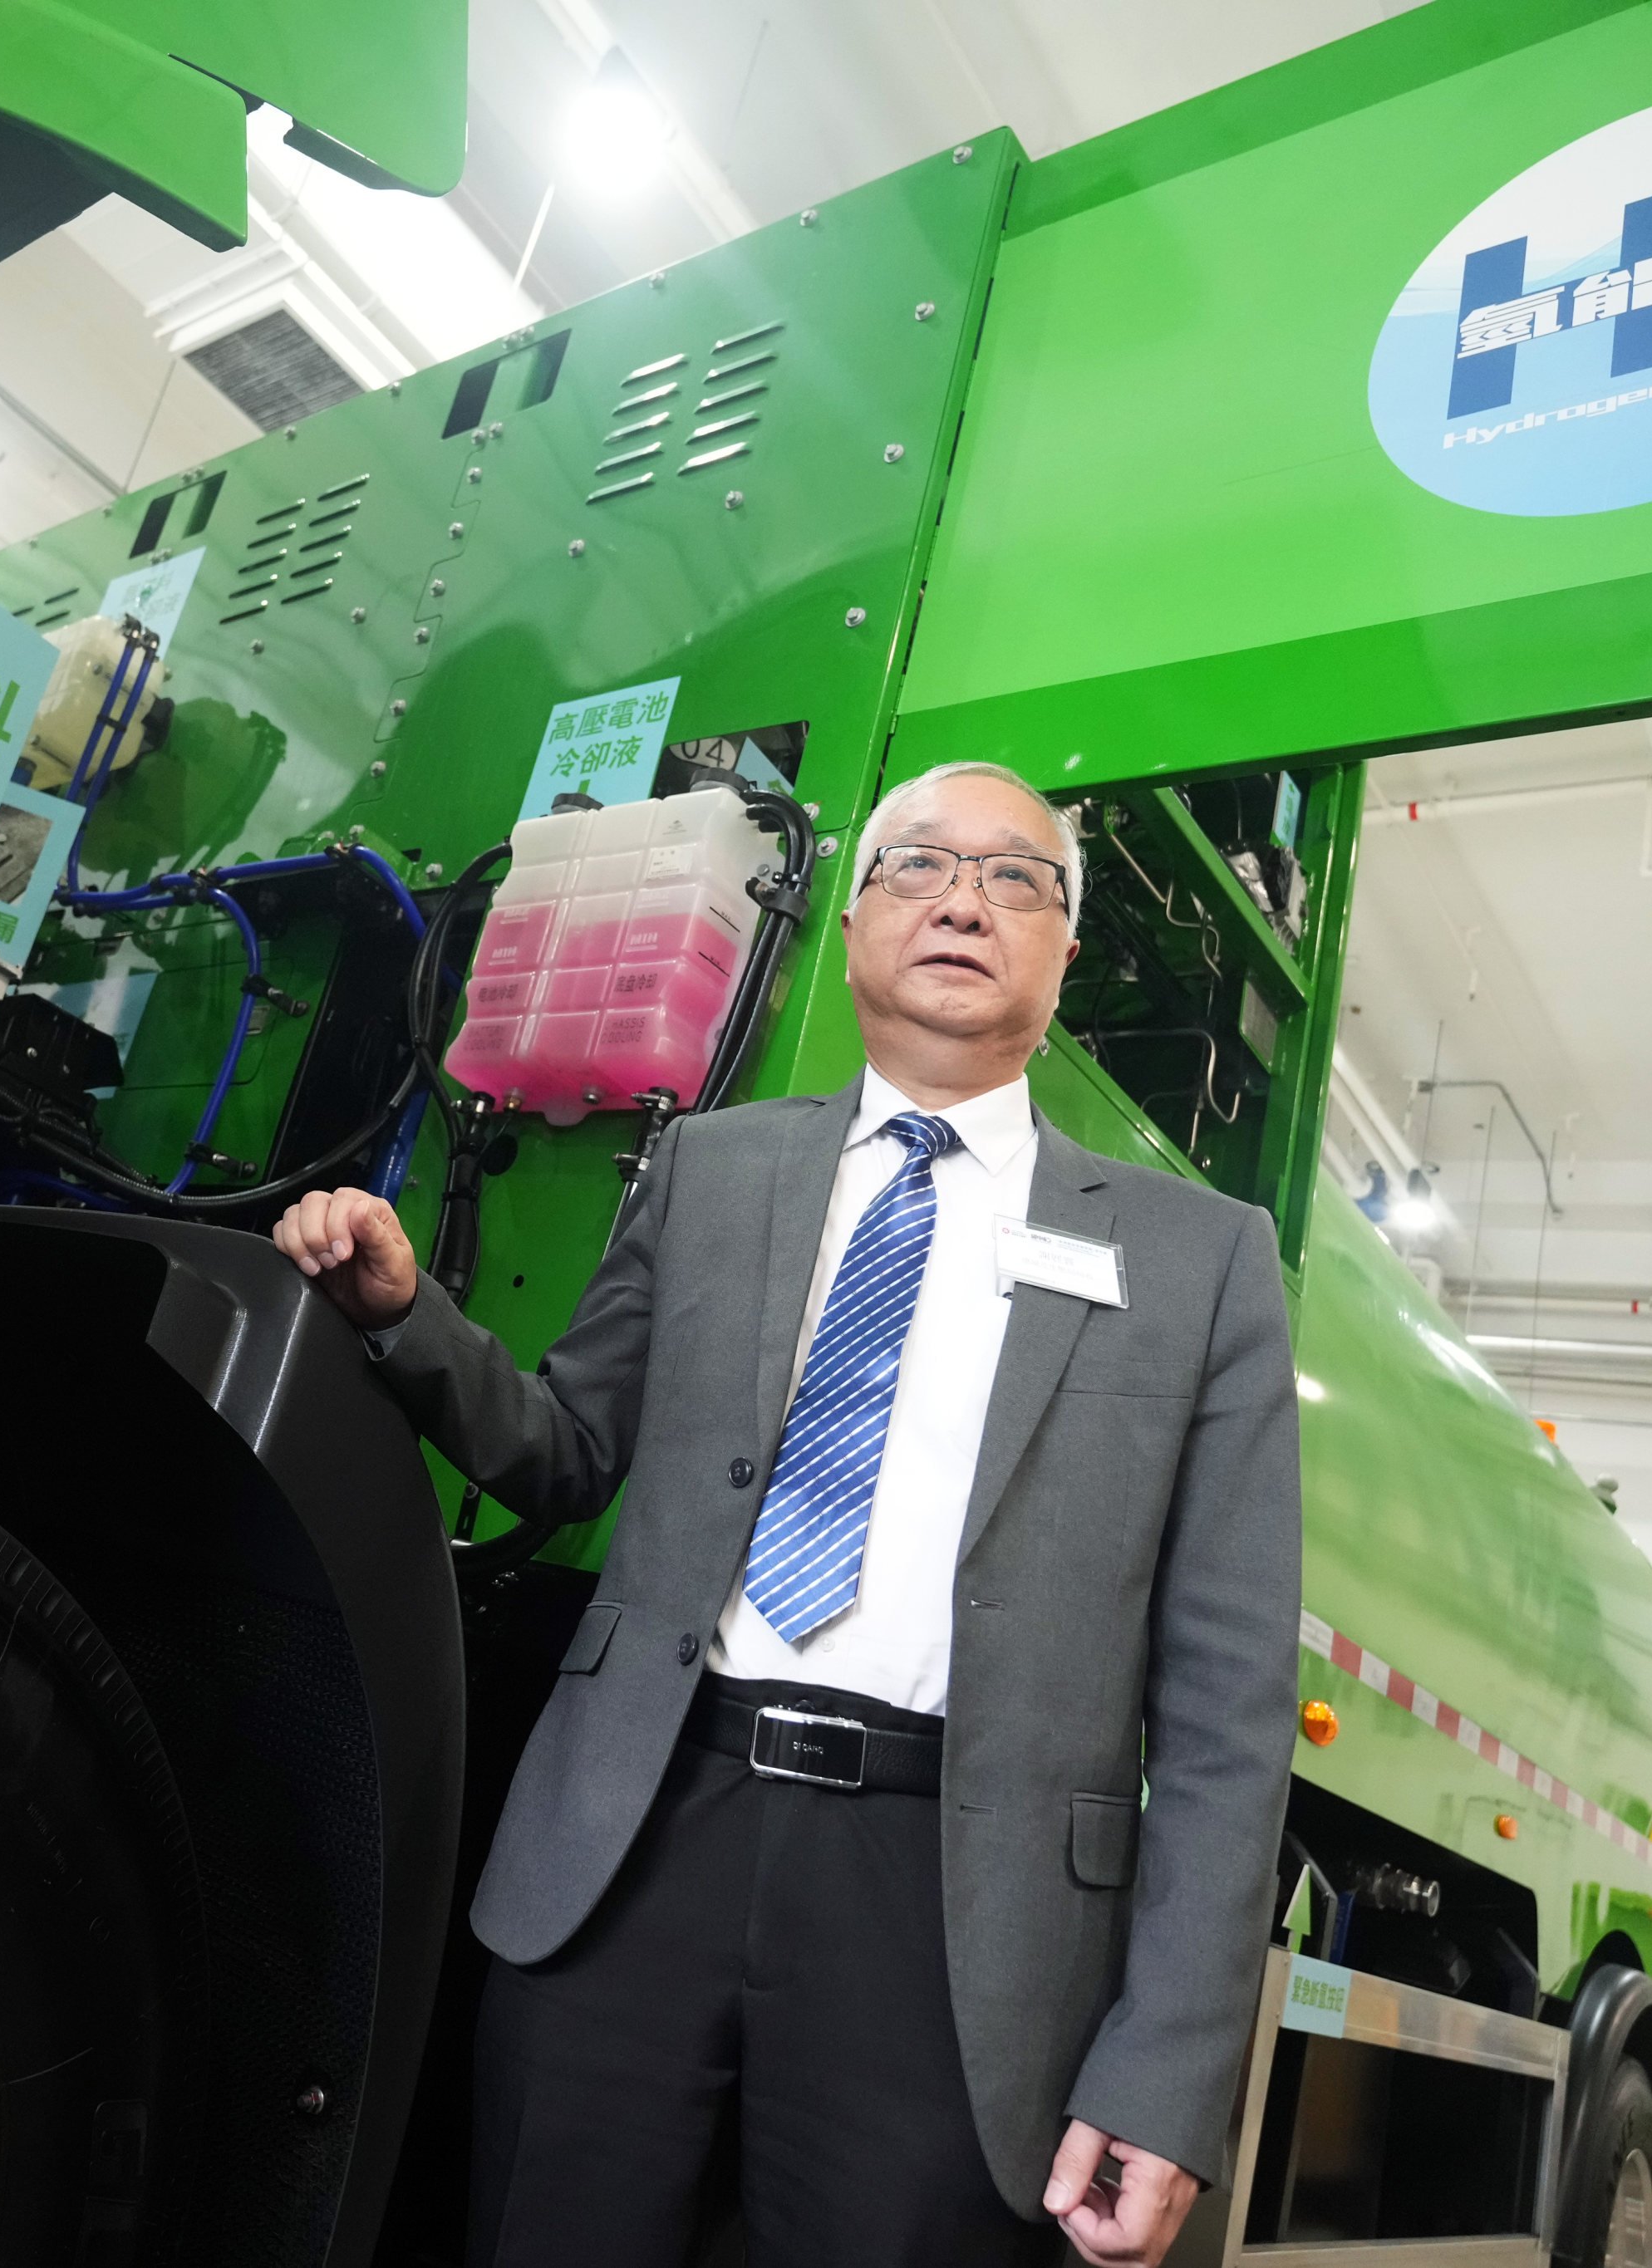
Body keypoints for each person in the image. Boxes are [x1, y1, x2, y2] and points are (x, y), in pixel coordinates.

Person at [273, 761, 1301, 2268]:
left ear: (1066, 947)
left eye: (1018, 877)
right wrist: (403, 1311)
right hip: (639, 1848)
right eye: (921, 866)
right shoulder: (714, 1166)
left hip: (954, 1920)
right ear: (858, 915)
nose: (963, 898)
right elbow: (562, 1450)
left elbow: (1227, 1713)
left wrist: (1167, 2073)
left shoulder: (1202, 1262)